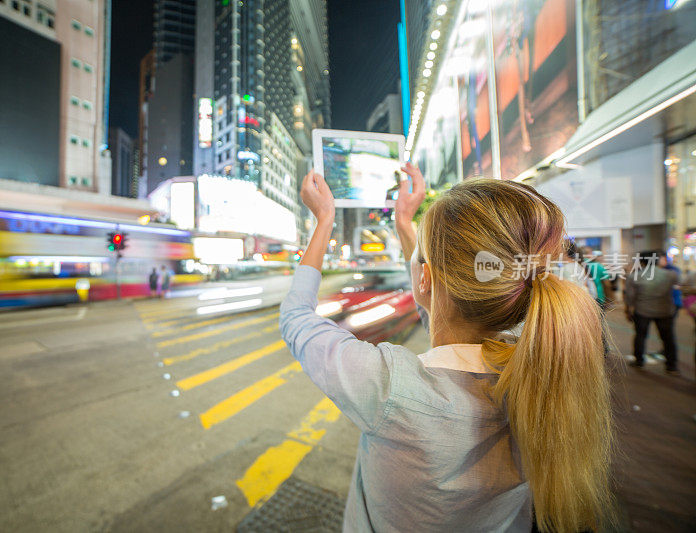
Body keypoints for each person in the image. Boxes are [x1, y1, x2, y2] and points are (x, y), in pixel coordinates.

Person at [281, 166, 614, 532]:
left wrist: (324, 219)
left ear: (424, 279)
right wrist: (405, 224)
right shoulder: (540, 372)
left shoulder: (388, 387)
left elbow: (296, 316)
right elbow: (440, 316)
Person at [624, 251, 679, 373]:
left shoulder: (634, 276)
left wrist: (628, 311)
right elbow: (678, 287)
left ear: (641, 262)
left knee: (640, 336)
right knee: (668, 338)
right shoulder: (670, 275)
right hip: (665, 311)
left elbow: (630, 297)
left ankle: (639, 361)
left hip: (642, 310)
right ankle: (671, 366)